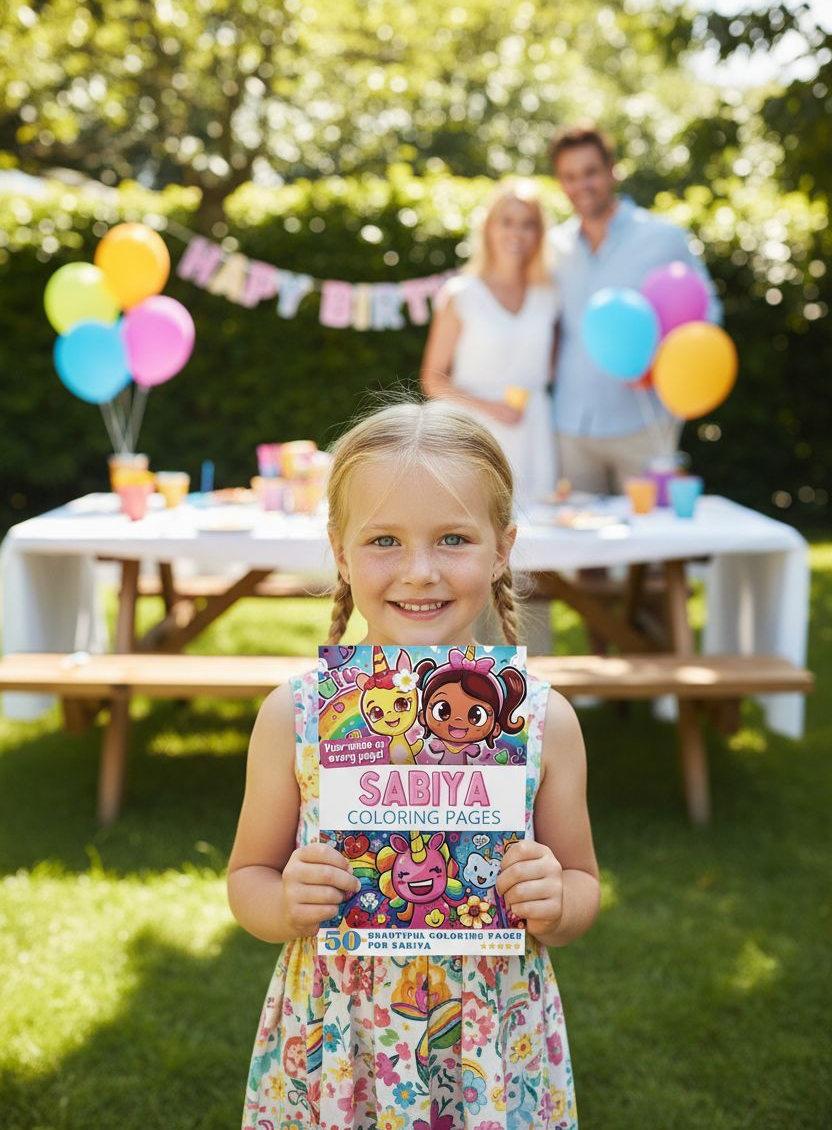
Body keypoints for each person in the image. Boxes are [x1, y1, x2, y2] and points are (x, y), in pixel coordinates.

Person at [228, 399, 600, 1130]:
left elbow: (583, 881)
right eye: (385, 540)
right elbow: (248, 877)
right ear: (340, 550)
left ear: (502, 548)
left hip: (493, 1040)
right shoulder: (295, 716)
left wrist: (555, 901)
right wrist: (283, 902)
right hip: (337, 1038)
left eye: (453, 538)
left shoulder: (543, 721)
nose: (420, 571)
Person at [549, 122, 719, 494]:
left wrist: (658, 365)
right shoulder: (552, 247)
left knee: (655, 545)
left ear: (612, 170)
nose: (582, 185)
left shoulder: (663, 238)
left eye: (591, 172)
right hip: (570, 424)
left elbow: (707, 316)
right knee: (580, 547)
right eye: (570, 176)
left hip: (644, 424)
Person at [420, 178, 559, 504]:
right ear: (488, 227)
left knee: (537, 533)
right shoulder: (461, 294)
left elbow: (550, 368)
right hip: (473, 435)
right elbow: (432, 380)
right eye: (507, 222)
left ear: (539, 233)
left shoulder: (548, 296)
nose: (516, 233)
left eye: (527, 224)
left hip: (533, 431)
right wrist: (492, 408)